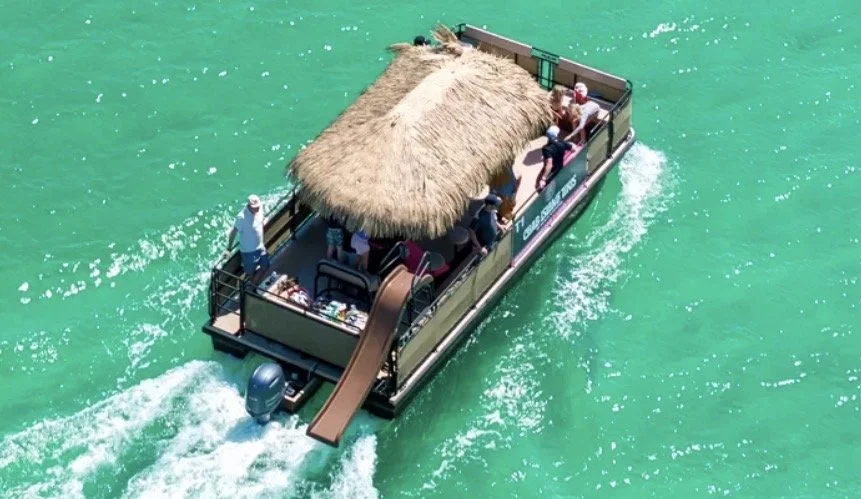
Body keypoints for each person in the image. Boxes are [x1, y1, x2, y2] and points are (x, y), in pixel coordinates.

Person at [224, 194, 269, 285]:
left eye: (258, 206)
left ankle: (253, 285)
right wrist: (229, 248)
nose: (257, 209)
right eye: (254, 207)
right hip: (249, 252)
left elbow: (260, 222)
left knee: (266, 265)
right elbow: (233, 232)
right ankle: (252, 287)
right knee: (250, 273)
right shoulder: (242, 217)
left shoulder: (260, 210)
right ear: (248, 206)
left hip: (260, 247)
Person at [537, 126, 575, 191]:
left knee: (542, 187)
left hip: (550, 173)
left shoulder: (546, 149)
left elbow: (549, 164)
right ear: (557, 135)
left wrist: (543, 179)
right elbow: (574, 149)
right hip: (560, 168)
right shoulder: (562, 143)